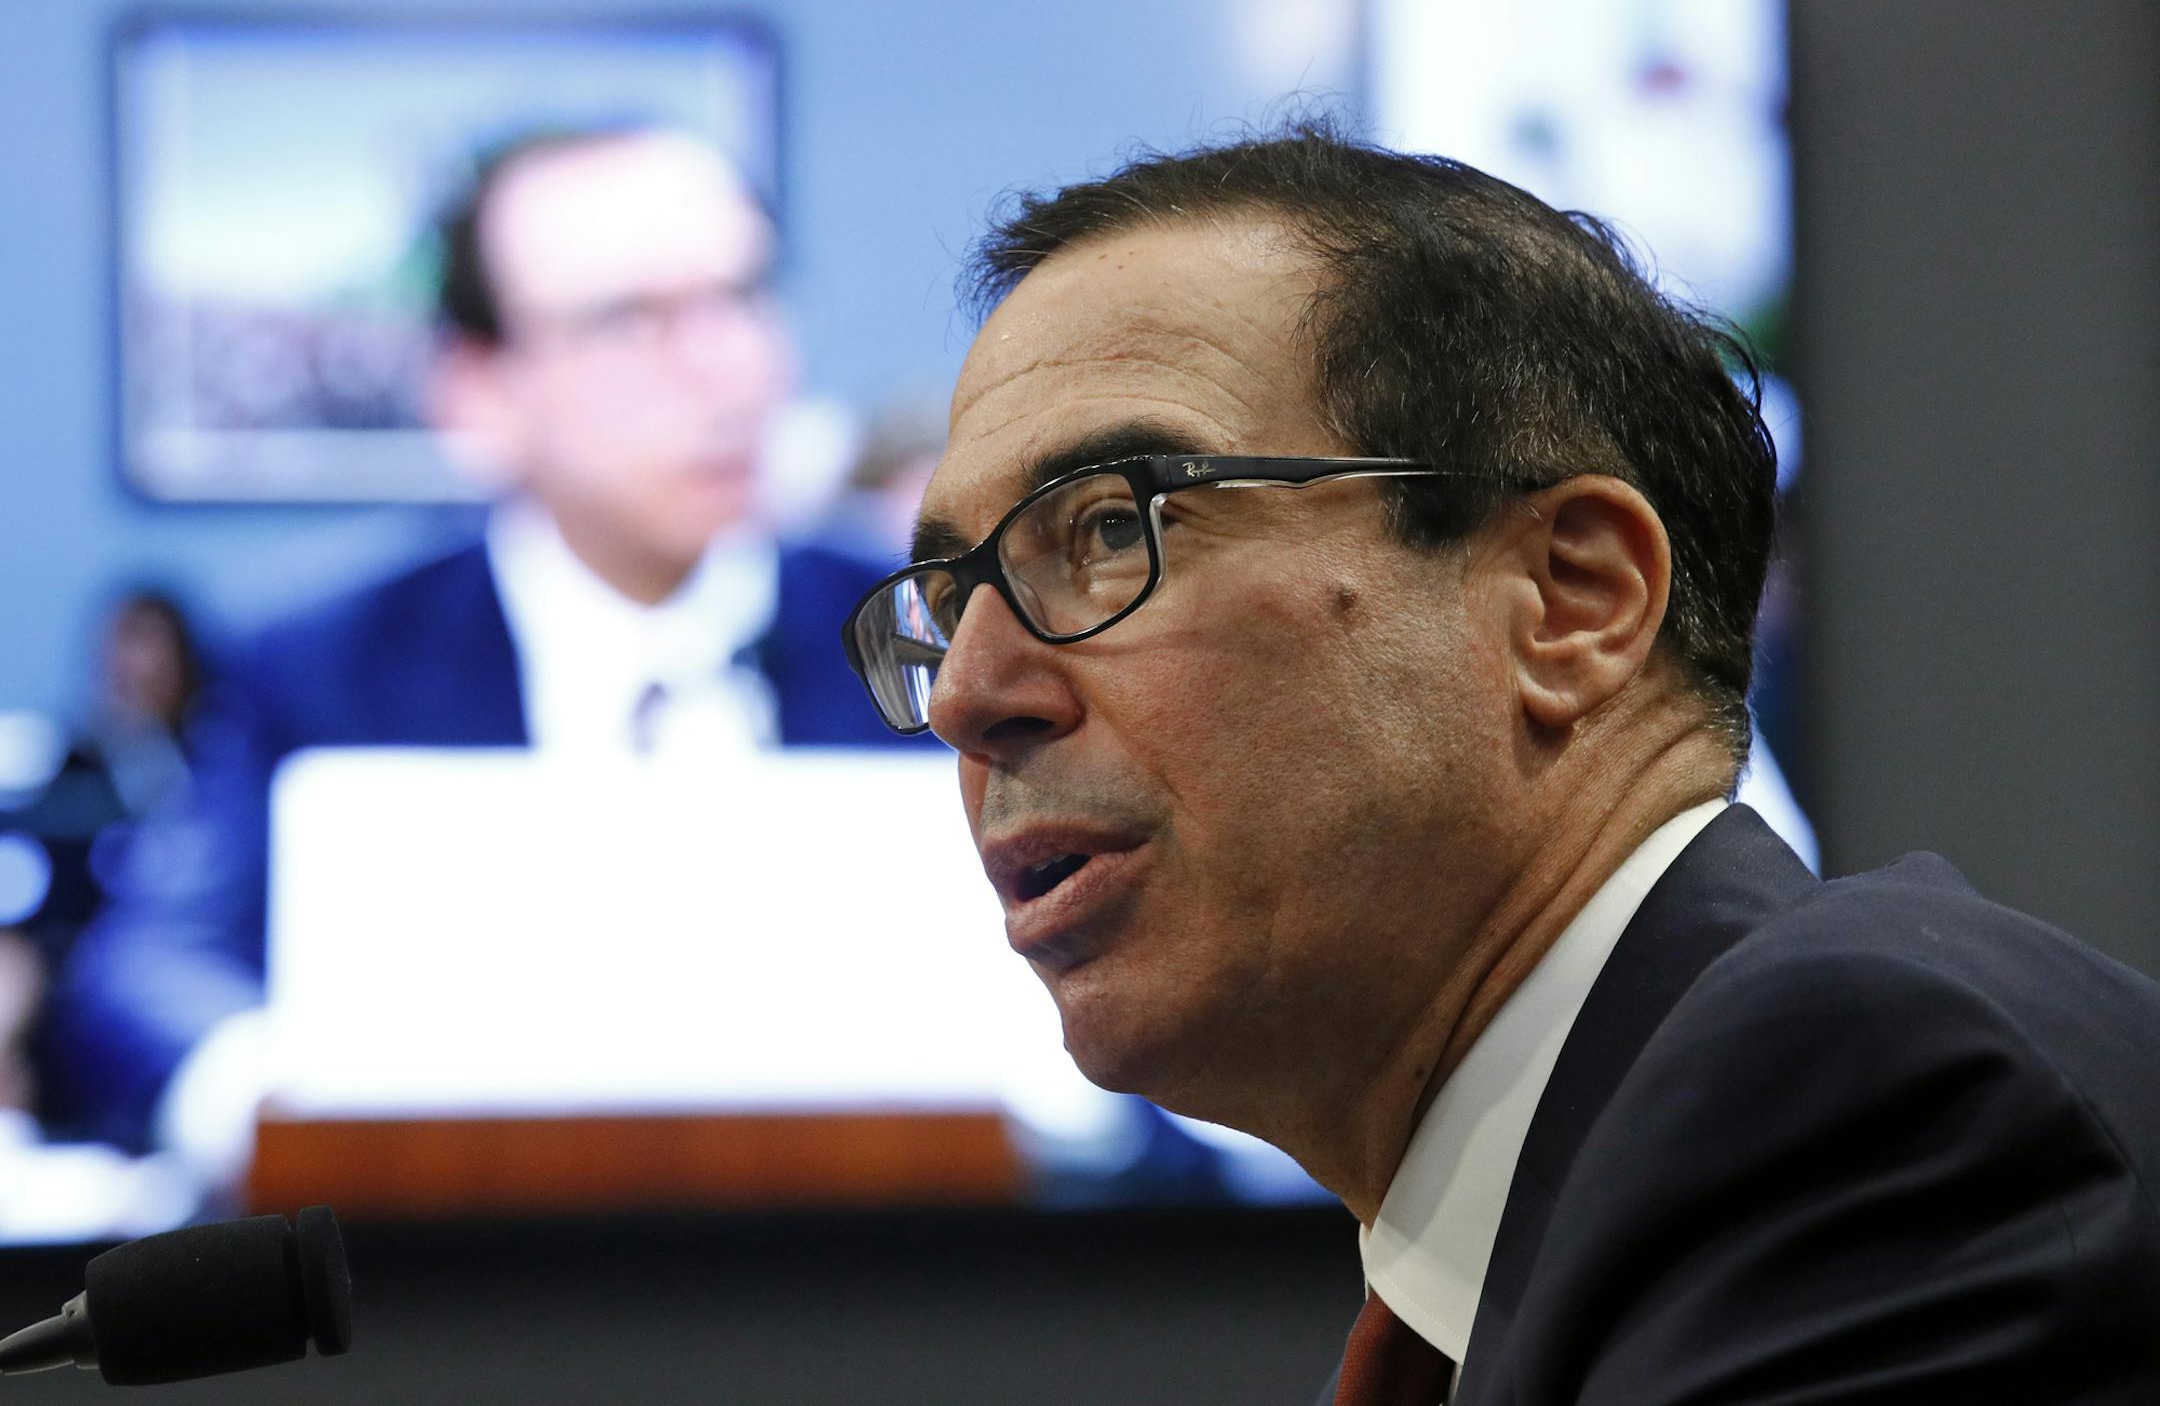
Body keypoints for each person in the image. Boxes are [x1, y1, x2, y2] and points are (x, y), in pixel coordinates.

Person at [841, 124, 2160, 1402]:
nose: (968, 696)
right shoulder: (1533, 1260)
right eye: (950, 602)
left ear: (1569, 601)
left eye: (1111, 530)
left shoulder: (1861, 1105)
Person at [51, 125, 913, 1169]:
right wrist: (284, 1103)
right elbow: (149, 966)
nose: (727, 369)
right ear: (478, 390)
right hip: (467, 1294)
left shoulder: (923, 630)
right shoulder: (329, 656)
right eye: (629, 320)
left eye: (741, 297)